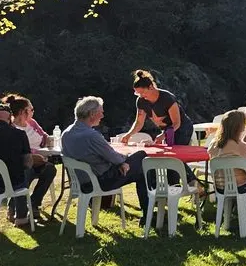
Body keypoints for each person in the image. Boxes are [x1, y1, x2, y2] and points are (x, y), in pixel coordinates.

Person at [63, 95, 198, 223]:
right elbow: (112, 156)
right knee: (141, 159)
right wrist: (123, 161)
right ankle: (150, 212)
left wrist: (122, 162)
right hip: (101, 180)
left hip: (82, 181)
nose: (103, 115)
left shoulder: (66, 133)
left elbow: (103, 156)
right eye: (101, 112)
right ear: (92, 114)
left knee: (140, 169)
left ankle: (150, 211)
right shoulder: (91, 136)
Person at [208, 109, 246, 225]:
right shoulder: (241, 146)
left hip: (221, 186)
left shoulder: (213, 145)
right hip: (242, 186)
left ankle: (242, 213)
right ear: (240, 127)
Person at [0, 100, 55, 226]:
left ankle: (33, 205)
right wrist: (35, 158)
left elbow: (44, 136)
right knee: (24, 172)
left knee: (49, 169)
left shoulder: (30, 124)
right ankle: (21, 216)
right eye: (31, 109)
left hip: (7, 174)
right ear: (9, 118)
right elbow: (27, 162)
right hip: (15, 176)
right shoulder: (18, 134)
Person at [120, 69, 194, 145]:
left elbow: (176, 123)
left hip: (182, 128)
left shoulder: (167, 98)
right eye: (138, 93)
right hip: (166, 130)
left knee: (176, 151)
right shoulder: (141, 101)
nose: (141, 95)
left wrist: (163, 135)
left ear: (151, 87)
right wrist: (129, 135)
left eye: (143, 92)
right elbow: (139, 122)